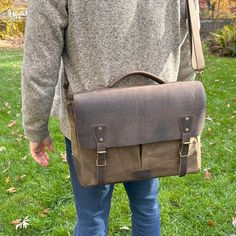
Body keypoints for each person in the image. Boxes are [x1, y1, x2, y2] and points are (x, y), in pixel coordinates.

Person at [21, 1, 200, 235]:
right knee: (146, 207)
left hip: (91, 122)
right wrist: (175, 102)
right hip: (153, 116)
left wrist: (36, 128)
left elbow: (39, 62)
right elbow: (186, 48)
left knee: (91, 216)